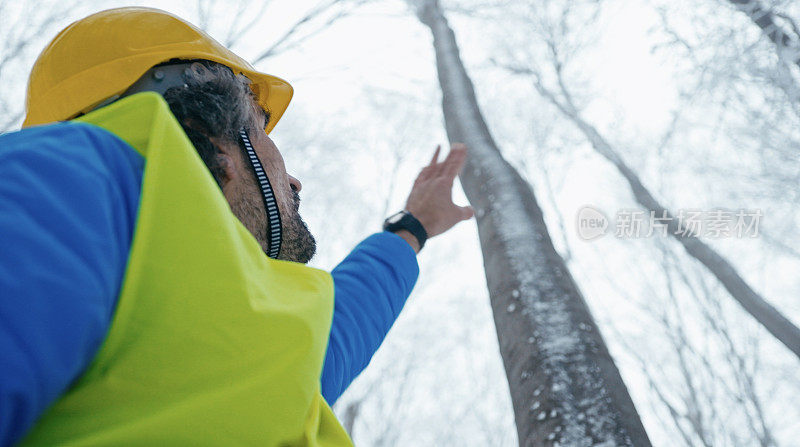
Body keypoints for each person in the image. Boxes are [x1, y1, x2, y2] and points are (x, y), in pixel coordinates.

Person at [0, 7, 473, 447]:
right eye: (264, 130)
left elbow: (341, 324)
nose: (292, 178)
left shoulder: (257, 331)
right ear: (205, 129)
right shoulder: (71, 178)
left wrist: (414, 226)